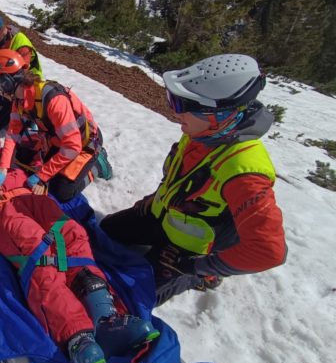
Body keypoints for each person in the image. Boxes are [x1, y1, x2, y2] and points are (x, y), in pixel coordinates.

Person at [100, 54, 287, 306]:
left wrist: (196, 265)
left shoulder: (244, 171)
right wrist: (153, 201)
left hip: (193, 251)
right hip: (163, 218)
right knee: (105, 232)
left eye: (184, 106)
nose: (178, 114)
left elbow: (269, 251)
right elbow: (182, 182)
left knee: (129, 300)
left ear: (218, 115)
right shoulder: (204, 133)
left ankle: (205, 278)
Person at [0, 164, 159, 363]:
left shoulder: (5, 154)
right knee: (39, 255)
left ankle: (105, 319)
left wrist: (40, 176)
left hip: (33, 197)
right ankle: (77, 335)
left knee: (74, 235)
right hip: (1, 207)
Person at [0, 49, 112, 203]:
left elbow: (72, 146)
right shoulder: (19, 101)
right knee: (26, 158)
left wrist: (42, 175)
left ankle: (98, 164)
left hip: (85, 143)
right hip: (59, 139)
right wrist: (3, 169)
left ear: (6, 83)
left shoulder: (53, 99)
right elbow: (12, 134)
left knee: (63, 191)